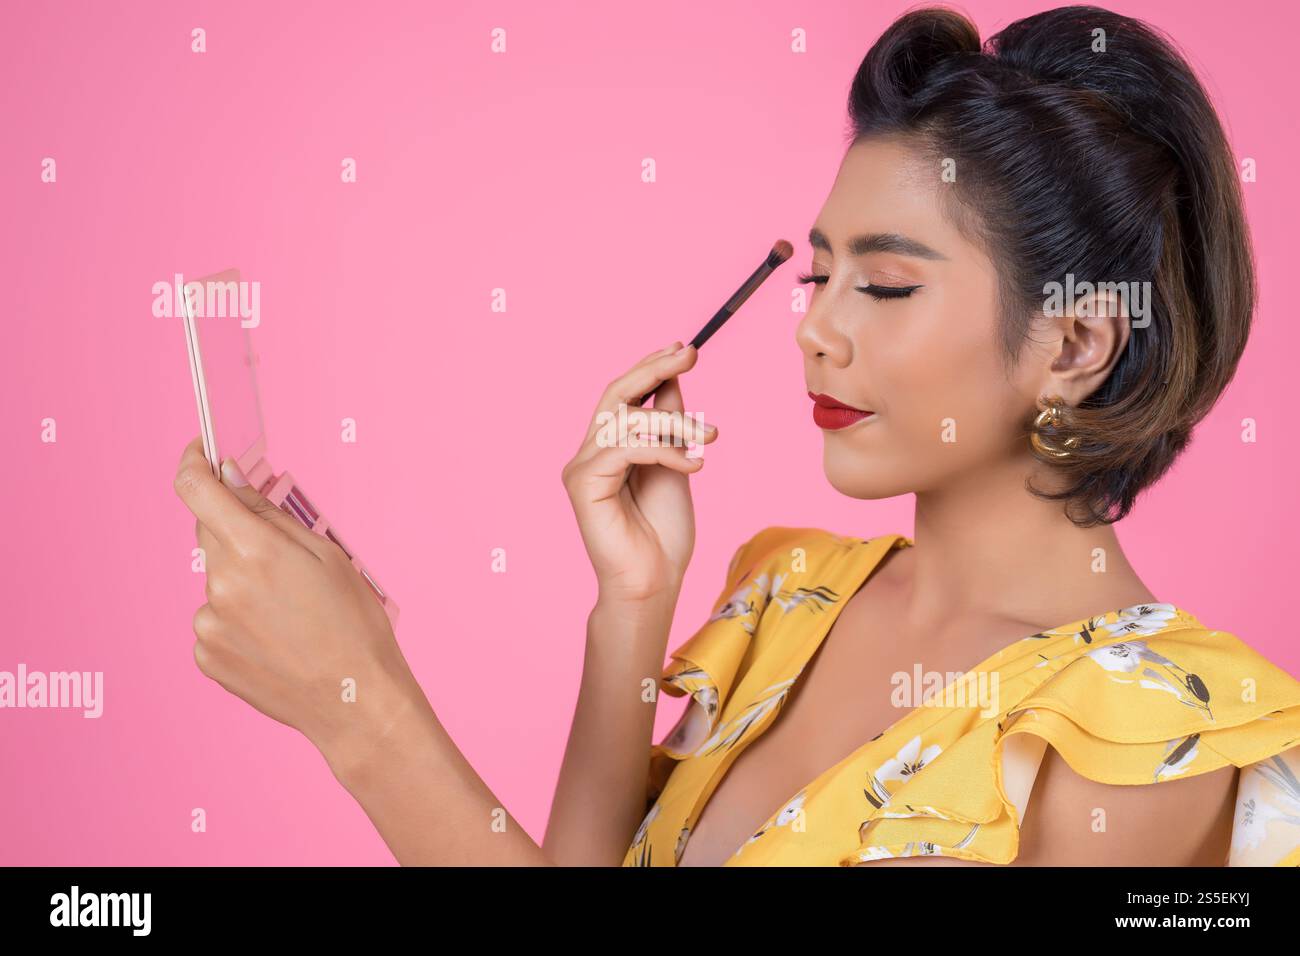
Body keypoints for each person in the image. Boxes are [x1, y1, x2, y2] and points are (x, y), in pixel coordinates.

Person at [172, 4, 1300, 866]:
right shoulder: (783, 595)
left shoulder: (1149, 736)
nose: (814, 329)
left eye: (888, 286)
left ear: (1075, 346)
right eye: (817, 275)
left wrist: (359, 706)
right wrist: (632, 605)